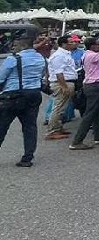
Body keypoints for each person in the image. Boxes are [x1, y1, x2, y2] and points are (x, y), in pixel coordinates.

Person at [0, 35, 46, 167]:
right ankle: (27, 158)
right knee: (30, 126)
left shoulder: (13, 59)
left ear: (23, 45)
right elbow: (42, 75)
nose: (13, 47)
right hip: (34, 93)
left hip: (13, 95)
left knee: (2, 125)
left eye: (15, 45)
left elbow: (1, 78)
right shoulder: (41, 58)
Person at [45, 36, 79, 139]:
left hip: (67, 82)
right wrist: (64, 86)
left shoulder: (65, 54)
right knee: (58, 107)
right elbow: (59, 73)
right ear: (64, 44)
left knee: (62, 107)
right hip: (62, 83)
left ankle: (58, 127)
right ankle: (52, 130)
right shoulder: (59, 55)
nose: (73, 43)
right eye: (70, 42)